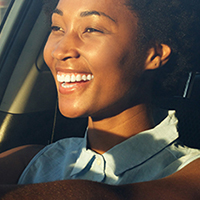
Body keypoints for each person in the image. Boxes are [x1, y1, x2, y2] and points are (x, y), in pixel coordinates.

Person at [0, 0, 200, 199]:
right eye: (57, 27)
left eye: (91, 29)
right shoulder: (34, 159)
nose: (59, 51)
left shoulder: (190, 170)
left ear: (153, 54)